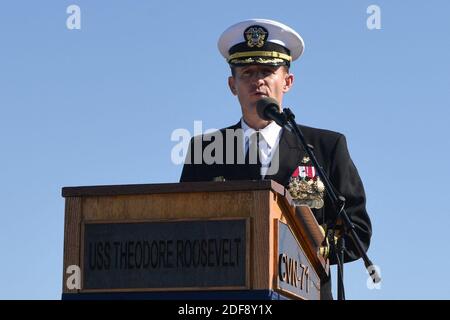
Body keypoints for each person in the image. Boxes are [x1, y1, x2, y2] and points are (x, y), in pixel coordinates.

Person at [180, 18, 372, 300]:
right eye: (246, 72)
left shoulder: (326, 147)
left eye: (268, 71)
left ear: (288, 81)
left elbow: (357, 231)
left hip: (304, 293)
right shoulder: (205, 150)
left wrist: (309, 246)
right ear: (232, 85)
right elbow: (184, 228)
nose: (257, 80)